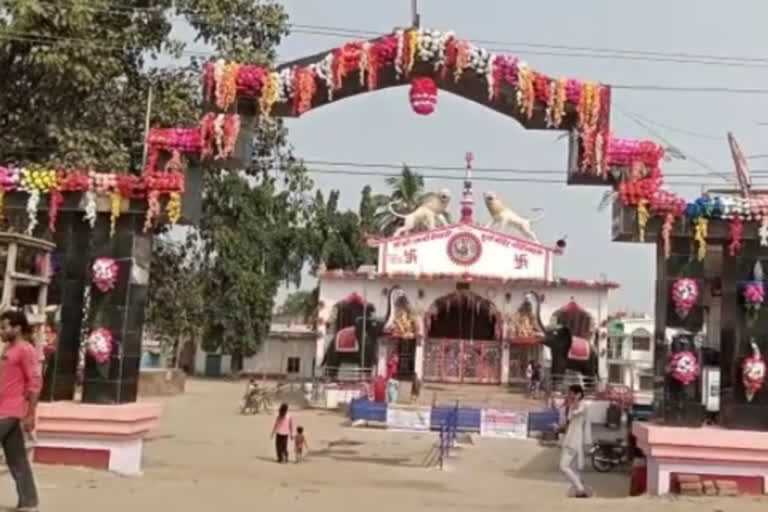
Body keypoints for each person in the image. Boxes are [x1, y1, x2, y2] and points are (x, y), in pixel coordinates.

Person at [0, 310, 41, 511]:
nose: (2, 330)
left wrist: (30, 413)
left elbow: (34, 383)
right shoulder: (8, 349)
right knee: (16, 459)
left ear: (17, 328)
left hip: (10, 411)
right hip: (3, 409)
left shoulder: (25, 350)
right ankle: (29, 502)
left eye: (5, 327)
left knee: (17, 458)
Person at [555, 384, 592, 498]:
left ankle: (580, 489)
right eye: (569, 393)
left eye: (571, 393)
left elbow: (577, 412)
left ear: (578, 394)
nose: (569, 395)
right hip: (569, 439)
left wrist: (575, 400)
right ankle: (579, 490)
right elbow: (569, 423)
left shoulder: (583, 406)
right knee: (574, 468)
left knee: (564, 466)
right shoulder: (572, 406)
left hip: (574, 441)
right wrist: (558, 428)